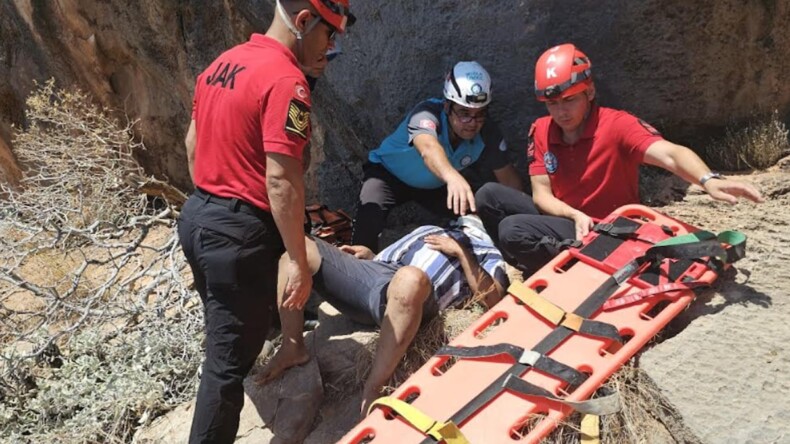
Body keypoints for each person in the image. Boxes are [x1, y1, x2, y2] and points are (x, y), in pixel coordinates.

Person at [176, 1, 354, 442]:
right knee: (225, 368)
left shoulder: (223, 63)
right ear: (303, 21)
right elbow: (281, 180)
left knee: (231, 336)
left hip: (199, 215)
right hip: (238, 233)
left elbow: (192, 143)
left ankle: (282, 345)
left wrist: (215, 199)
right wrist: (298, 258)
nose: (330, 47)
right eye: (328, 35)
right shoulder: (287, 81)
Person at [476, 43, 764, 274]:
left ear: (589, 92)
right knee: (489, 195)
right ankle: (543, 265)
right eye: (552, 104)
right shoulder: (540, 130)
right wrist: (574, 214)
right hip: (569, 218)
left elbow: (670, 154)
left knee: (513, 230)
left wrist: (708, 179)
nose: (561, 112)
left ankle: (577, 271)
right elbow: (541, 194)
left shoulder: (617, 125)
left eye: (570, 100)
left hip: (607, 229)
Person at [256, 215, 509, 415]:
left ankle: (374, 387)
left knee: (410, 279)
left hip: (420, 297)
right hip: (378, 276)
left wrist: (461, 252)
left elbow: (493, 298)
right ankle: (292, 345)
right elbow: (390, 263)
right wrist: (369, 256)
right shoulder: (430, 228)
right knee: (298, 245)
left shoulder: (485, 253)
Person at [351, 61, 523, 252]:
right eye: (464, 113)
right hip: (388, 175)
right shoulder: (427, 112)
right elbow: (427, 147)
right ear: (448, 106)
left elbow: (509, 181)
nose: (472, 123)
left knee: (478, 211)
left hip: (436, 185)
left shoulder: (487, 131)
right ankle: (359, 269)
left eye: (480, 114)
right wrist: (452, 177)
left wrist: (522, 215)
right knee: (368, 217)